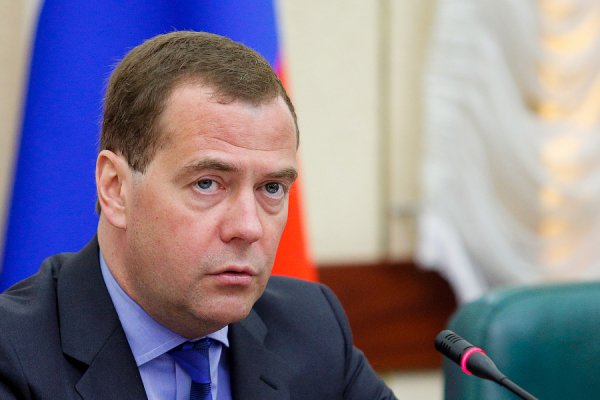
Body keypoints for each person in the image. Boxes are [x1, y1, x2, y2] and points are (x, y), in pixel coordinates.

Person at [0, 31, 397, 400]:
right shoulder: (13, 356)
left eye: (272, 188)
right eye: (208, 183)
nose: (248, 227)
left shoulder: (311, 328)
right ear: (115, 188)